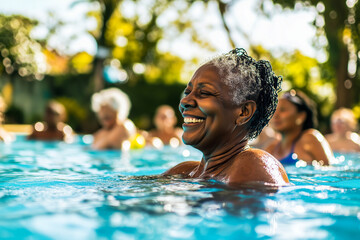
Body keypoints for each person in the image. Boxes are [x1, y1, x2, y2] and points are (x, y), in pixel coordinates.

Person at [162, 48, 289, 187]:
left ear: (244, 112)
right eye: (188, 92)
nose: (185, 101)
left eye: (204, 92)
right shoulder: (186, 171)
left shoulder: (254, 165)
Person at [266, 89, 334, 166]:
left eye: (283, 110)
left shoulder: (310, 139)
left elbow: (330, 169)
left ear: (301, 116)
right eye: (274, 110)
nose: (275, 115)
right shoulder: (271, 149)